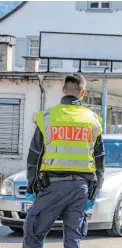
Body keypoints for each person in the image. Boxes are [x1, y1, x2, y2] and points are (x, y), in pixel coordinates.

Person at [22, 74, 105, 248]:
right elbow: (99, 159)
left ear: (63, 90)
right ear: (82, 93)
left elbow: (34, 156)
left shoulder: (48, 117)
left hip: (53, 186)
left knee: (33, 234)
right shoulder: (93, 120)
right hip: (81, 188)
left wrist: (31, 184)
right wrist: (95, 190)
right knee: (73, 241)